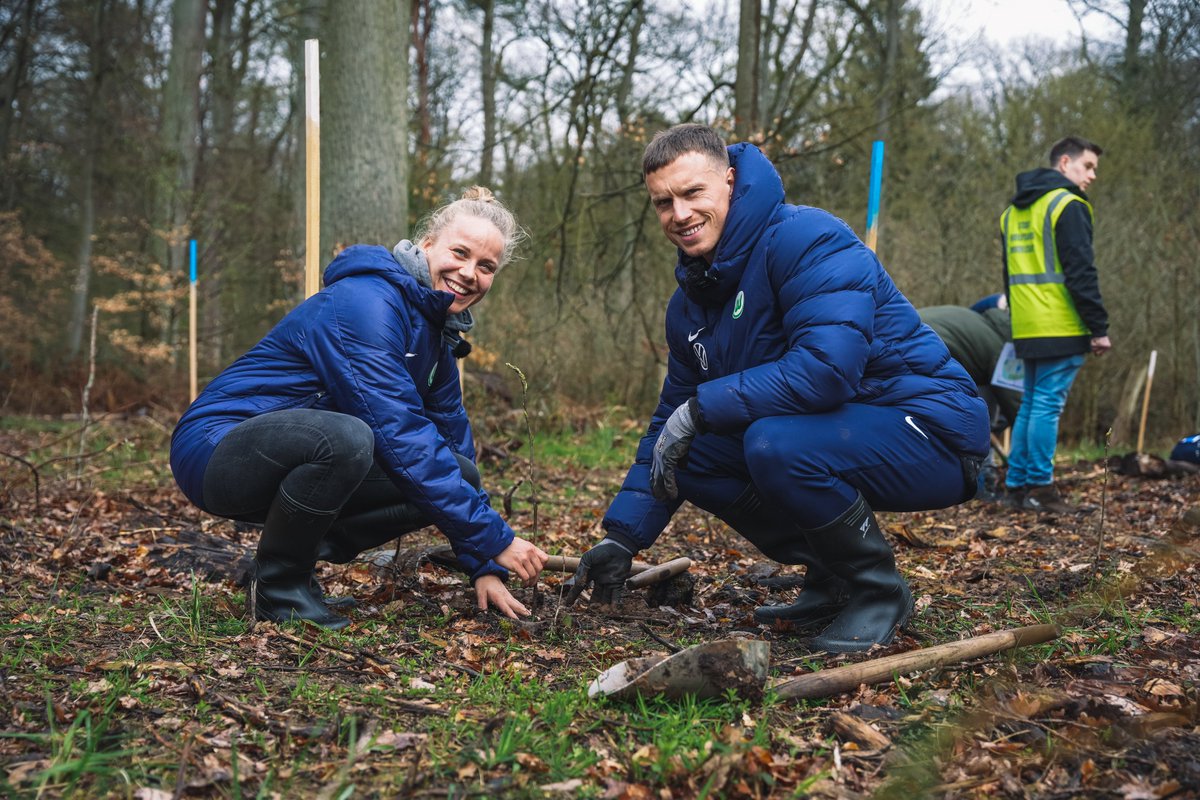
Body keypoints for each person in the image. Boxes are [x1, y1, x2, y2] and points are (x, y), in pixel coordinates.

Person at [566, 124, 989, 652]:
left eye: (693, 193)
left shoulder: (806, 238)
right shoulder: (690, 305)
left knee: (773, 442)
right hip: (841, 433)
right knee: (690, 452)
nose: (679, 214)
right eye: (663, 203)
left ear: (730, 179)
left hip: (931, 431)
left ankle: (877, 590)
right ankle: (831, 575)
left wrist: (703, 408)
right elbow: (671, 420)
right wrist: (623, 538)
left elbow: (827, 371)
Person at [170, 187, 548, 629]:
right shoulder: (367, 302)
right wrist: (496, 537)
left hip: (294, 455)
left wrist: (484, 562)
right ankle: (280, 592)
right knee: (348, 439)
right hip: (219, 448)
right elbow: (398, 432)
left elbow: (450, 447)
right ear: (427, 244)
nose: (469, 273)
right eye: (460, 253)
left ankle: (289, 558)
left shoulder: (436, 337)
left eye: (486, 267)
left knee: (460, 468)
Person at [1001, 137, 1112, 514]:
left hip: (1027, 325)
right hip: (1061, 323)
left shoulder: (1012, 212)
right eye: (1088, 166)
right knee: (1046, 405)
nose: (1093, 175)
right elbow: (1082, 272)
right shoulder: (1068, 205)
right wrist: (1098, 327)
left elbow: (1008, 278)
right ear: (1065, 163)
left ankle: (1017, 486)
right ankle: (1041, 489)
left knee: (1030, 404)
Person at [919, 299, 1022, 500]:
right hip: (927, 349)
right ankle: (980, 486)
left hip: (906, 339)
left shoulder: (979, 321)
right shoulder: (1001, 347)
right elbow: (1014, 403)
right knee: (972, 421)